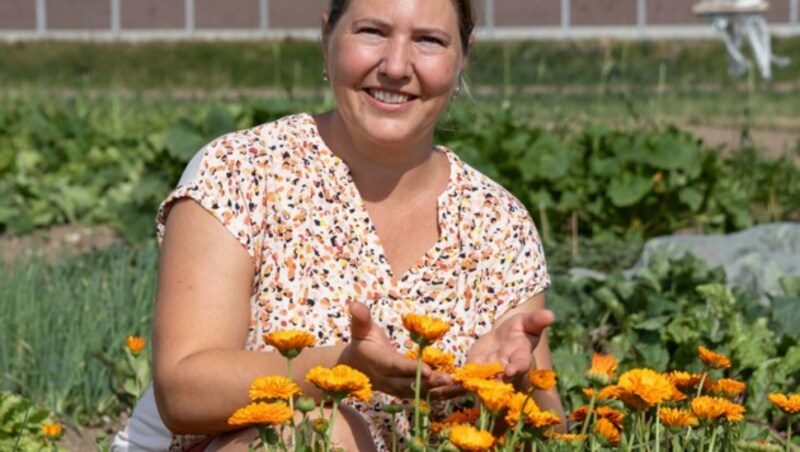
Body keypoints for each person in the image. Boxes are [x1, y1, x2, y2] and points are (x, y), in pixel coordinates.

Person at [113, 0, 565, 450]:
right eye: (372, 32)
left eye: (428, 40)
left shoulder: (498, 222)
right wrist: (343, 368)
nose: (396, 66)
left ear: (462, 55)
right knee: (322, 435)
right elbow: (182, 391)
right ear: (327, 37)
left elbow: (552, 431)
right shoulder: (241, 173)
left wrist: (516, 383)